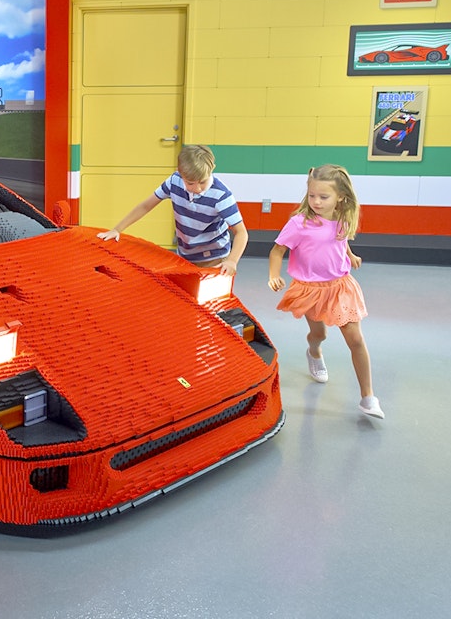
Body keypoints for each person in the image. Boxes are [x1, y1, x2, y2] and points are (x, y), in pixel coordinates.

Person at [267, 164, 384, 419]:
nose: (316, 202)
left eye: (323, 197)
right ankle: (314, 350)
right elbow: (277, 251)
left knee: (355, 339)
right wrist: (274, 275)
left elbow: (339, 240)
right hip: (311, 289)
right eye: (312, 196)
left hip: (340, 286)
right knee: (319, 333)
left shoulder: (342, 217)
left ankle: (368, 397)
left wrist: (350, 255)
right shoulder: (299, 223)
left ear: (340, 196)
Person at [97, 144, 249, 275]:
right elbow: (145, 206)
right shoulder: (174, 181)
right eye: (190, 183)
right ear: (180, 173)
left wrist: (232, 261)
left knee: (209, 301)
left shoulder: (221, 195)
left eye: (202, 182)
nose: (197, 188)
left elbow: (241, 232)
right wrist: (117, 229)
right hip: (185, 254)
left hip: (214, 257)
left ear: (211, 170)